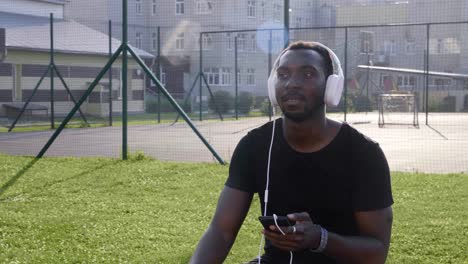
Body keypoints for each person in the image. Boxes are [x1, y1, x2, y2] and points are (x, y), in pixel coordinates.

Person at [190, 41, 393, 264]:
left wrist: (320, 239)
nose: (291, 83)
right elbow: (221, 231)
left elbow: (376, 253)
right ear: (272, 86)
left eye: (307, 74)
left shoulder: (364, 154)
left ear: (331, 87)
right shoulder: (255, 146)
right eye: (283, 74)